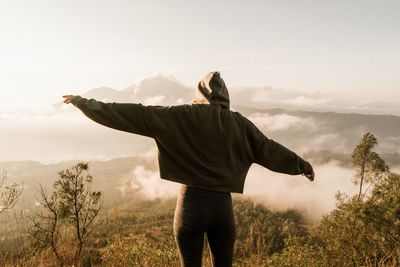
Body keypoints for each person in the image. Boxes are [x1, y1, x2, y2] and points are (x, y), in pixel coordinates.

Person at [63, 71, 314, 267]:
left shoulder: (178, 115)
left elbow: (128, 114)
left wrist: (83, 103)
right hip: (221, 210)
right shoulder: (239, 124)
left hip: (189, 208)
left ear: (199, 93)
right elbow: (269, 149)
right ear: (225, 95)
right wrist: (301, 165)